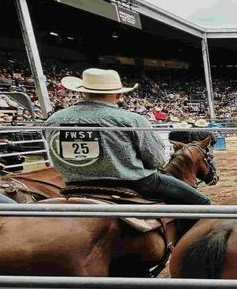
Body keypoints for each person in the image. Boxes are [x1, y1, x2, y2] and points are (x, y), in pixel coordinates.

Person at [44, 68, 210, 205]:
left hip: (74, 184)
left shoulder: (53, 120)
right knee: (202, 202)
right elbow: (157, 160)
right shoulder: (131, 120)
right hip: (134, 182)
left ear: (82, 92)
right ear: (118, 95)